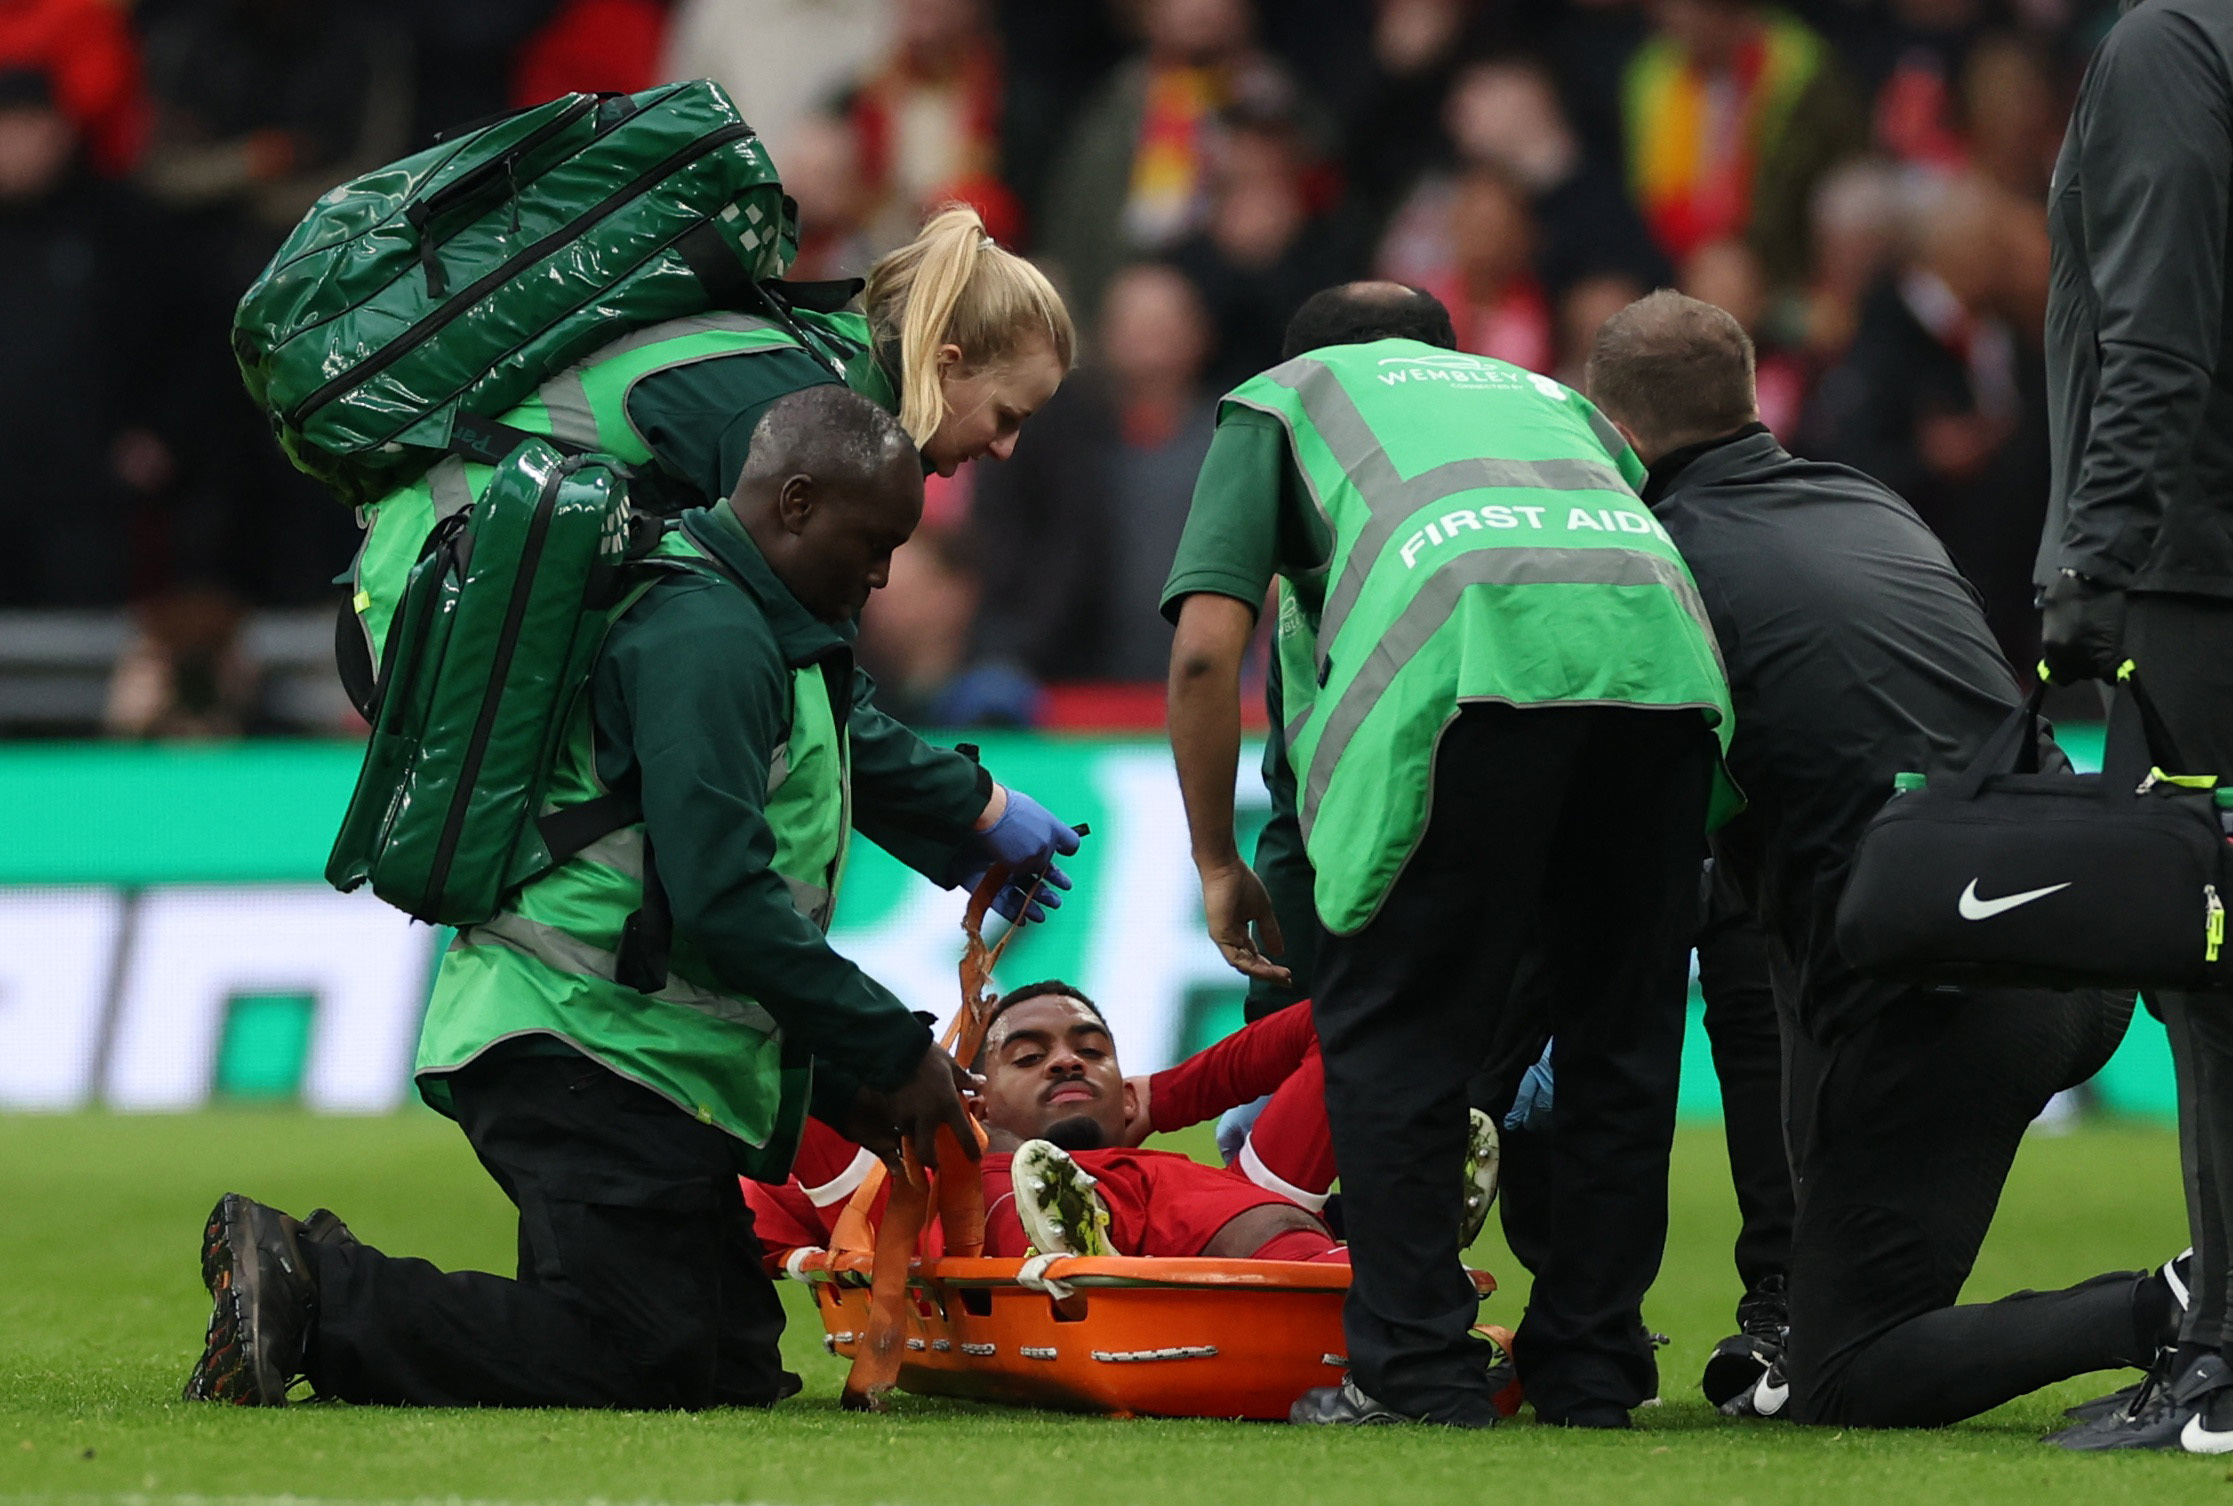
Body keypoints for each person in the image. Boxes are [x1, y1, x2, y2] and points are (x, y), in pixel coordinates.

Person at [183, 387, 1084, 1410]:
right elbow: (722, 902)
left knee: (726, 1363)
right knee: (639, 1356)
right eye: (871, 544)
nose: (878, 576)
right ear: (794, 502)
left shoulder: (755, 628)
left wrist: (851, 1086)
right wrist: (888, 1051)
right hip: (582, 1043)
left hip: (624, 1049)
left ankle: (334, 1291)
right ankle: (312, 1289)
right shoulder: (708, 637)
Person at [1586, 289, 2166, 1430]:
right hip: (2064, 916)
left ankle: (2172, 1306)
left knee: (1849, 1378)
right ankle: (1799, 1317)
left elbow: (1623, 832)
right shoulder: (1858, 496)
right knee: (1771, 912)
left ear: (1613, 429)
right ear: (1749, 396)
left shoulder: (1658, 564)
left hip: (1948, 979)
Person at [1164, 281, 1733, 1429]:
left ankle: (1413, 1372)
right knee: (1619, 1043)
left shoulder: (1279, 402)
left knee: (1396, 1038)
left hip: (1470, 675)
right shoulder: (1548, 399)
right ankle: (1590, 1370)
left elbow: (1204, 654)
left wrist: (1218, 860)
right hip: (1668, 678)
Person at [346, 204, 1075, 683]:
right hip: (441, 588)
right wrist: (973, 809)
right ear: (947, 366)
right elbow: (811, 673)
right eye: (1007, 417)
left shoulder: (826, 372)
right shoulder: (811, 423)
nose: (1005, 449)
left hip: (469, 577)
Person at [2032, 0, 2233, 1454]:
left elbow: (2156, 334)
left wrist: (2093, 565)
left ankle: (2219, 1361)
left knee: (2208, 973)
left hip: (2194, 581)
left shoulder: (2171, 43)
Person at [744, 982, 1499, 1269]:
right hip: (983, 1213)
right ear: (976, 1100)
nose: (1066, 1062)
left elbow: (1337, 1023)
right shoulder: (908, 1178)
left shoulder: (1224, 1179)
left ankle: (1401, 1238)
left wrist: (1164, 1099)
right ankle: (1402, 1249)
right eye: (1028, 1056)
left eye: (1091, 1051)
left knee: (1264, 1219)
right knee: (991, 1197)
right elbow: (777, 1049)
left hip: (1212, 1222)